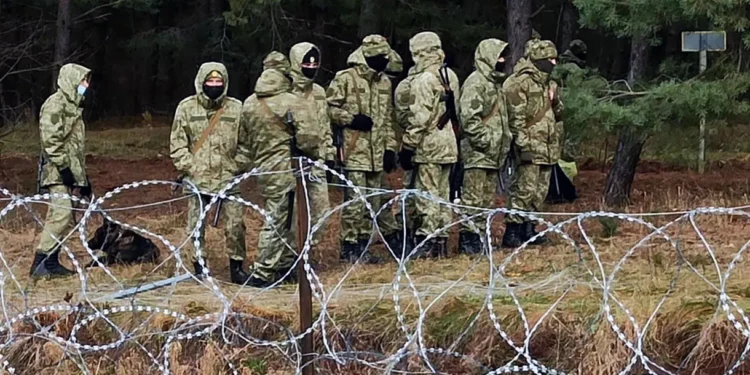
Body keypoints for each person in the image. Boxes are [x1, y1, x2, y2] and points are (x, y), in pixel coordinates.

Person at [241, 51, 322, 288]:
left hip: (264, 167)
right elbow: (309, 138)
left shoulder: (249, 103)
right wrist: (311, 155)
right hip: (288, 168)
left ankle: (286, 265)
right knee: (281, 220)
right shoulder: (292, 101)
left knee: (283, 216)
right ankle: (263, 272)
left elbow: (244, 140)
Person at [169, 62, 249, 284]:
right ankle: (199, 266)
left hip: (228, 178)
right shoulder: (186, 108)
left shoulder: (236, 108)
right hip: (198, 179)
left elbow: (246, 143)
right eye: (210, 81)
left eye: (218, 81)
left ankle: (237, 267)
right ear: (201, 82)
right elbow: (177, 145)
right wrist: (192, 168)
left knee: (235, 225)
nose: (214, 85)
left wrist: (236, 166)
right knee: (196, 226)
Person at [327, 35, 399, 264]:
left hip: (377, 153)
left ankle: (363, 247)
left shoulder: (384, 82)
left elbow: (387, 118)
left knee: (373, 204)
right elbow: (328, 108)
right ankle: (349, 249)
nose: (383, 61)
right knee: (355, 205)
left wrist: (390, 149)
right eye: (379, 57)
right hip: (354, 151)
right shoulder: (346, 79)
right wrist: (350, 119)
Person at [398, 31, 460, 258]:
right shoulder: (449, 76)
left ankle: (427, 240)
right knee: (443, 195)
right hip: (448, 144)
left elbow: (419, 119)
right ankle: (441, 242)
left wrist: (407, 145)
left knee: (428, 195)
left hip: (430, 145)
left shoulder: (424, 79)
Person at [31, 63, 93, 279]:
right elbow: (51, 140)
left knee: (62, 217)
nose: (86, 85)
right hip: (56, 171)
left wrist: (83, 179)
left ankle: (51, 261)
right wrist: (64, 168)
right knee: (61, 214)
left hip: (68, 171)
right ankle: (41, 263)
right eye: (83, 80)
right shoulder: (56, 104)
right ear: (71, 80)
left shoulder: (74, 107)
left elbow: (75, 148)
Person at [501, 40, 563, 248]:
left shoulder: (549, 83)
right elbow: (515, 120)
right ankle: (513, 231)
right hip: (529, 147)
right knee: (523, 190)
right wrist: (523, 146)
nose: (554, 63)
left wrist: (555, 101)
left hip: (547, 147)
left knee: (539, 192)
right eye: (550, 59)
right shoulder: (518, 83)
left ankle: (530, 228)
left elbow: (559, 115)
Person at [458, 39, 512, 255]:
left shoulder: (495, 84)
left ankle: (480, 237)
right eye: (498, 57)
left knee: (485, 200)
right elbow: (469, 119)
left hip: (492, 154)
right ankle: (469, 240)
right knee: (473, 199)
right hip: (478, 153)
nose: (502, 61)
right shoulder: (476, 83)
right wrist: (486, 142)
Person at [288, 42, 334, 248]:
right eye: (306, 63)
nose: (311, 67)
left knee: (322, 210)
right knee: (292, 213)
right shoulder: (285, 91)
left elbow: (325, 125)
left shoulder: (318, 92)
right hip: (291, 161)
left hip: (317, 160)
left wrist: (329, 155)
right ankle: (292, 255)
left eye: (315, 64)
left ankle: (307, 249)